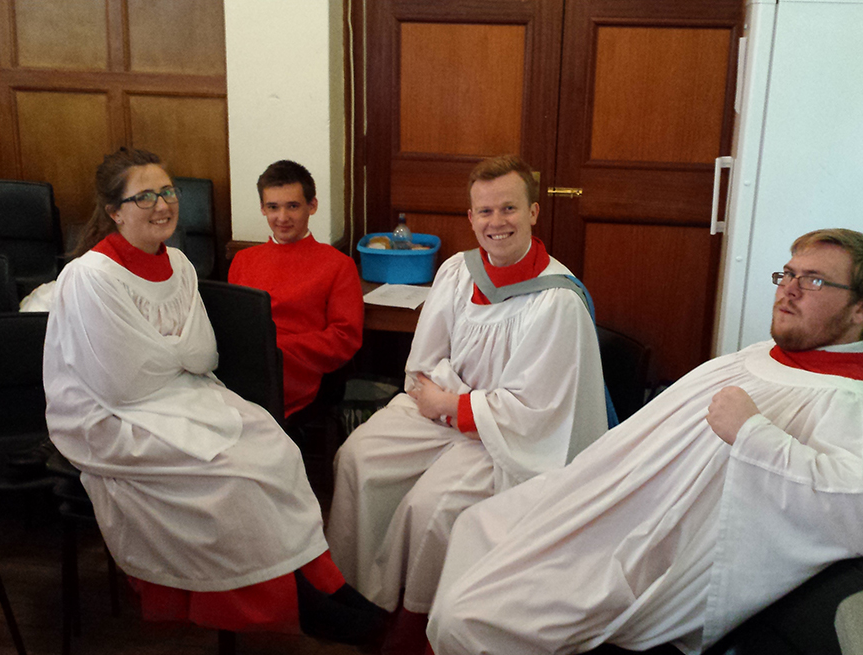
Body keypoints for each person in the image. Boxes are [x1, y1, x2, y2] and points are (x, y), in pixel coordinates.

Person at [427, 228, 863, 655]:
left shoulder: (849, 403)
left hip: (648, 552)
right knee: (475, 525)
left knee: (472, 617)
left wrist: (754, 435)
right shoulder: (762, 355)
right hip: (610, 504)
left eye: (815, 280)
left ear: (862, 308)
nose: (789, 290)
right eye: (788, 274)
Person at [43, 148, 384, 644]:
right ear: (115, 210)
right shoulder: (92, 276)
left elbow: (202, 354)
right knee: (232, 475)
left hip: (181, 392)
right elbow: (124, 382)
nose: (162, 204)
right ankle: (287, 601)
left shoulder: (178, 264)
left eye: (167, 191)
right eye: (144, 196)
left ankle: (316, 581)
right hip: (112, 414)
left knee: (274, 445)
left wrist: (168, 353)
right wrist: (177, 353)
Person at [326, 154, 610, 651]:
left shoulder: (556, 302)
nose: (496, 223)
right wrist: (439, 399)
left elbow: (536, 410)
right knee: (357, 457)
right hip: (444, 408)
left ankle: (413, 626)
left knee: (430, 506)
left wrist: (455, 407)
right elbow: (426, 358)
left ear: (534, 213)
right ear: (470, 217)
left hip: (506, 436)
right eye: (484, 212)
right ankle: (355, 595)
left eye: (509, 209)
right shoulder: (459, 270)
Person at [228, 160, 363, 421]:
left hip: (298, 372)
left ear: (312, 206)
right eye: (273, 207)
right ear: (262, 209)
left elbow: (345, 337)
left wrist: (277, 351)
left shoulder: (338, 265)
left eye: (293, 206)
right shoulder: (243, 260)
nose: (282, 218)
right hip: (244, 370)